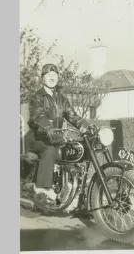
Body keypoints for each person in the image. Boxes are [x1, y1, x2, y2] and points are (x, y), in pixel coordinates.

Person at [24, 63, 90, 201]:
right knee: (50, 150)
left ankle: (73, 188)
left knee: (75, 150)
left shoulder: (61, 98)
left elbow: (72, 116)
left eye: (54, 75)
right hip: (38, 138)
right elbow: (38, 116)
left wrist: (86, 126)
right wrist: (48, 128)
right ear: (43, 78)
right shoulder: (37, 97)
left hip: (56, 137)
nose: (52, 78)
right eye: (49, 75)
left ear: (58, 77)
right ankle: (42, 188)